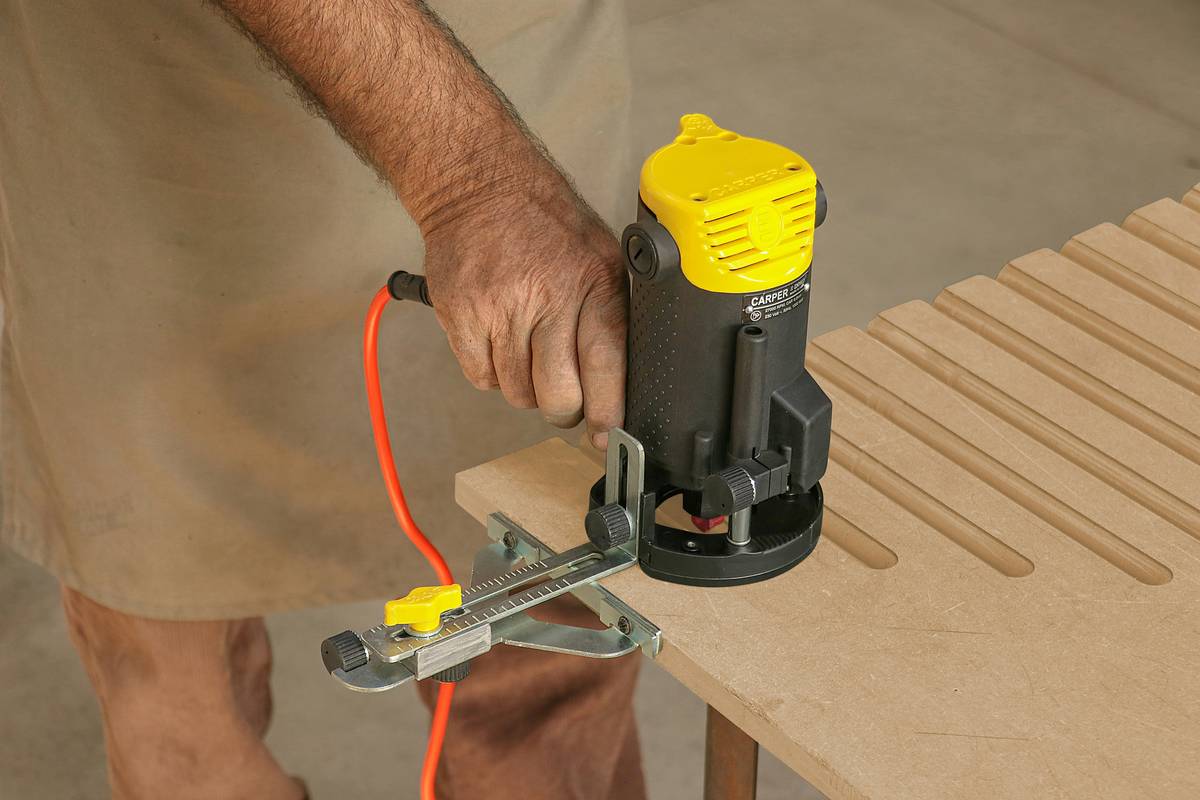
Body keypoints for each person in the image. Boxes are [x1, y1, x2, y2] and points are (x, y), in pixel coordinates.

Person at [0, 1, 645, 798]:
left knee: (542, 659)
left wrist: (493, 191)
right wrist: (475, 185)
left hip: (507, 57)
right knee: (176, 689)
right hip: (141, 112)